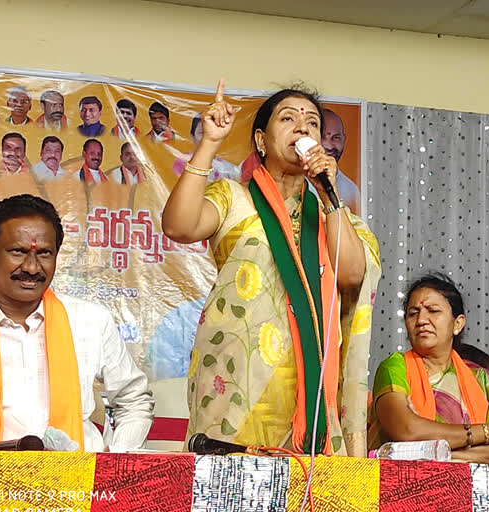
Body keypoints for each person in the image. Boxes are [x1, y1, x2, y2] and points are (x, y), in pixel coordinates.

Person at [162, 80, 381, 457]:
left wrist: (329, 196)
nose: (302, 128)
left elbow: (351, 276)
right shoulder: (234, 198)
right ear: (261, 142)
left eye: (312, 123)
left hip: (312, 400)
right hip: (234, 391)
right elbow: (178, 226)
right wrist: (210, 142)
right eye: (288, 118)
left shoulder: (339, 220)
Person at [0, 194, 154, 451]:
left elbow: (134, 399)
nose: (33, 268)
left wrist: (115, 461)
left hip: (76, 485)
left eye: (45, 253)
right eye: (18, 252)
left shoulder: (91, 321)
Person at [369, 273, 489, 464]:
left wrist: (432, 454)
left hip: (471, 489)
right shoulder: (396, 367)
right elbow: (407, 429)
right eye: (413, 313)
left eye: (433, 311)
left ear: (458, 323)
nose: (421, 320)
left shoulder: (480, 379)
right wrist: (486, 432)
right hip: (404, 485)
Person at [172, 113, 241, 181]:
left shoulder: (229, 169)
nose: (207, 137)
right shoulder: (183, 161)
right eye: (202, 132)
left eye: (212, 132)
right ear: (192, 137)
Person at [321, 109, 359, 212]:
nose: (329, 146)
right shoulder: (298, 182)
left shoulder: (351, 190)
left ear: (344, 140)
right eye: (322, 137)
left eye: (336, 138)